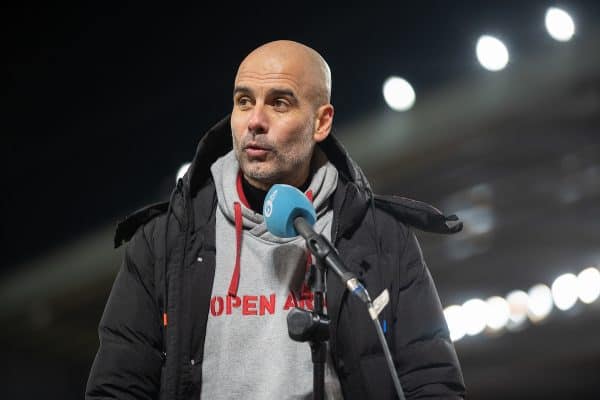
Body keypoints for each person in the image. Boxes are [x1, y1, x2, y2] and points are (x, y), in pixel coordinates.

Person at [86, 40, 466, 399]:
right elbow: (118, 387)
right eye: (243, 101)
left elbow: (431, 380)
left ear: (321, 122)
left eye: (279, 103)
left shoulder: (382, 237)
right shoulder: (164, 241)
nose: (255, 120)